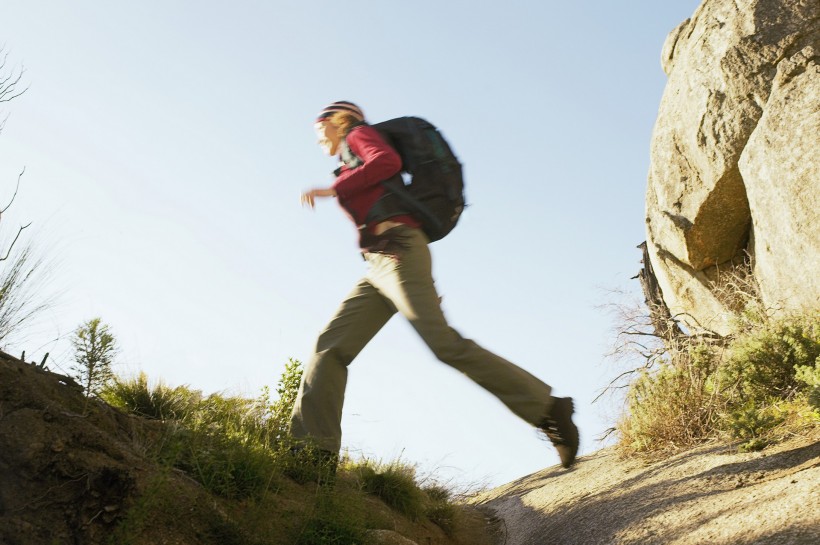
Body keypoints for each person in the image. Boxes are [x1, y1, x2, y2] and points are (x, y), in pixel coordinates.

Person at [290, 100, 579, 475]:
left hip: (397, 253)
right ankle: (311, 457)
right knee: (328, 347)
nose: (318, 140)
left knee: (443, 343)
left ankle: (547, 409)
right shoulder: (348, 158)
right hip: (379, 265)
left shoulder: (359, 135)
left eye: (319, 131)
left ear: (335, 120)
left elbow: (387, 162)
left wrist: (334, 188)